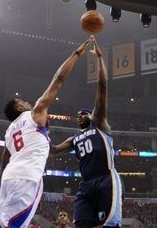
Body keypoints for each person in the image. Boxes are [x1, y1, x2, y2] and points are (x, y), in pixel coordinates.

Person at [0, 36, 93, 228]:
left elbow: (5, 158)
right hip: (27, 177)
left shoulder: (9, 131)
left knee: (8, 224)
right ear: (18, 106)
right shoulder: (34, 113)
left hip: (9, 179)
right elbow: (58, 79)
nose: (27, 102)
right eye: (23, 102)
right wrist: (76, 53)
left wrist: (3, 179)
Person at [51, 40, 122, 228]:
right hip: (86, 184)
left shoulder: (99, 124)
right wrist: (43, 131)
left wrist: (99, 58)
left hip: (105, 179)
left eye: (84, 113)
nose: (80, 116)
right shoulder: (74, 138)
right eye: (78, 115)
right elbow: (53, 151)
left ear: (91, 116)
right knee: (81, 223)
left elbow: (102, 86)